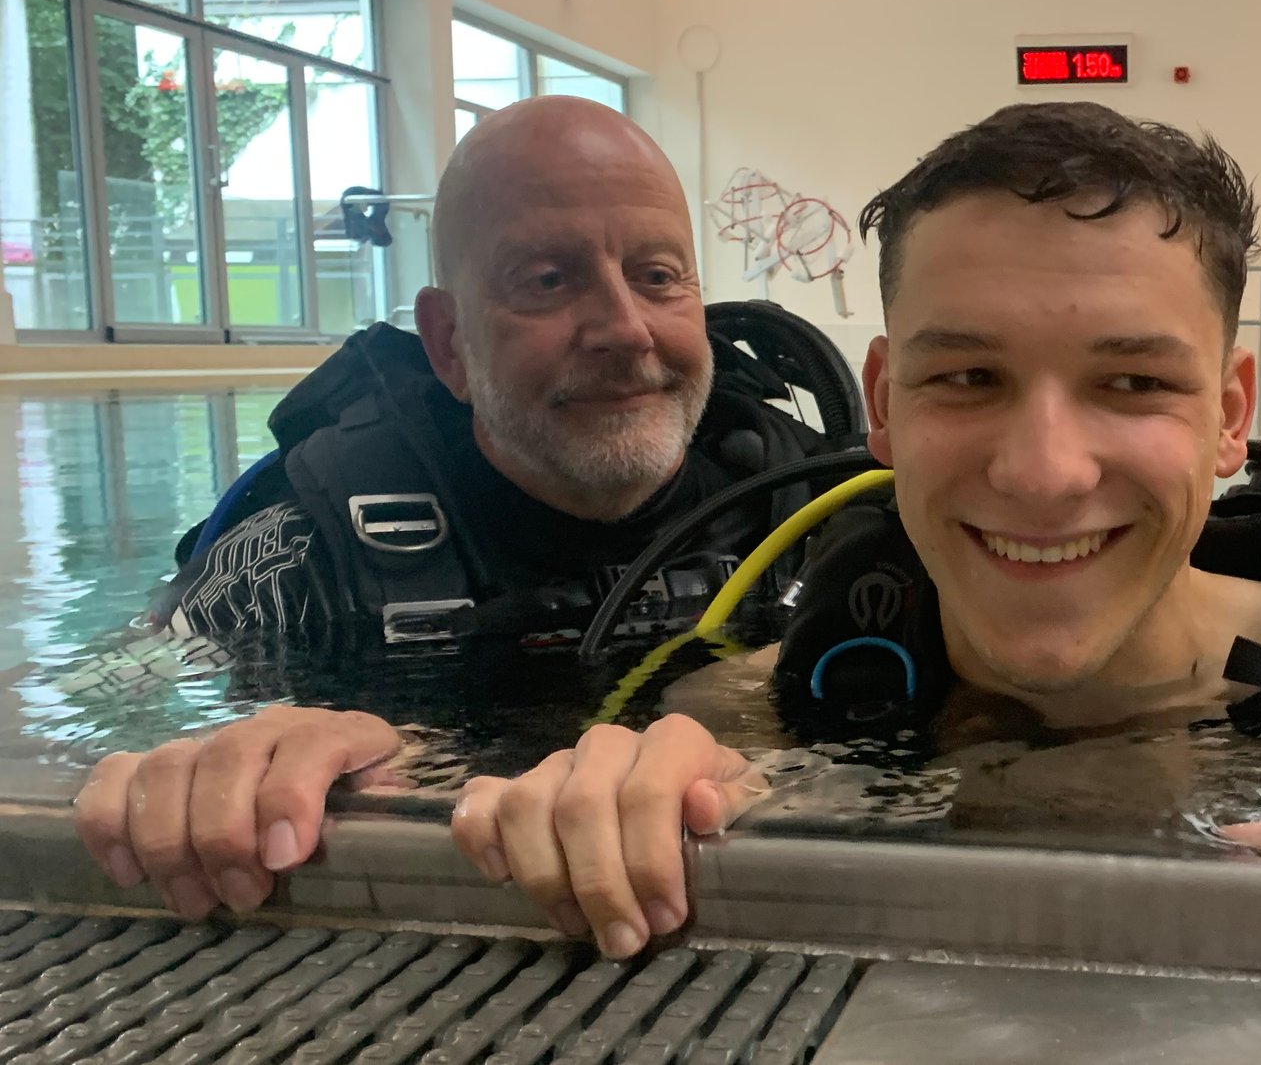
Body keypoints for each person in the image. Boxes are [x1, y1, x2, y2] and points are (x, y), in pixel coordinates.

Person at [446, 102, 1261, 1001]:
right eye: (967, 376)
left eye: (1130, 381)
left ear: (1230, 412)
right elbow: (588, 791)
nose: (1041, 470)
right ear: (882, 401)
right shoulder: (774, 696)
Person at [72, 96, 852, 920]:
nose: (625, 329)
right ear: (448, 343)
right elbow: (105, 703)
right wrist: (218, 765)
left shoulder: (817, 513)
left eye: (657, 277)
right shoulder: (303, 548)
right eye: (547, 280)